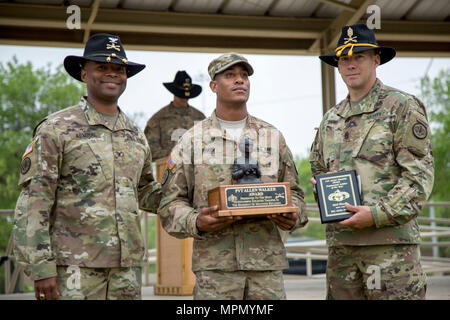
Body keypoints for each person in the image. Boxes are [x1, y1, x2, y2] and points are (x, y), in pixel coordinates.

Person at [13, 33, 161, 300]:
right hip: (73, 269)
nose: (112, 74)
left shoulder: (135, 134)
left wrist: (194, 195)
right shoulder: (56, 128)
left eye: (118, 69)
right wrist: (40, 267)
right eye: (102, 67)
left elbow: (147, 191)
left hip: (126, 269)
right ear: (84, 74)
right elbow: (35, 201)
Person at [158, 52, 308, 300]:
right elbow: (169, 204)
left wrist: (294, 216)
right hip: (216, 271)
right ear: (213, 86)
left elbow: (297, 195)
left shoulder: (272, 137)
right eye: (230, 75)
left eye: (244, 75)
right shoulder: (191, 141)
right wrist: (196, 221)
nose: (240, 81)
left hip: (266, 269)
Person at [310, 23, 434, 299]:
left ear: (376, 60)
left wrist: (376, 215)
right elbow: (319, 168)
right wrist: (320, 185)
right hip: (342, 251)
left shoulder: (401, 107)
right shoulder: (331, 118)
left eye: (359, 56)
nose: (351, 64)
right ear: (338, 65)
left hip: (390, 250)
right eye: (344, 58)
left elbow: (418, 178)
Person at [144, 70, 205, 162]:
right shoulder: (159, 118)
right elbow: (149, 149)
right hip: (168, 169)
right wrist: (175, 154)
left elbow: (210, 145)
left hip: (197, 169)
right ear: (174, 92)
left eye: (187, 96)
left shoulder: (200, 117)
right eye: (181, 95)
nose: (184, 99)